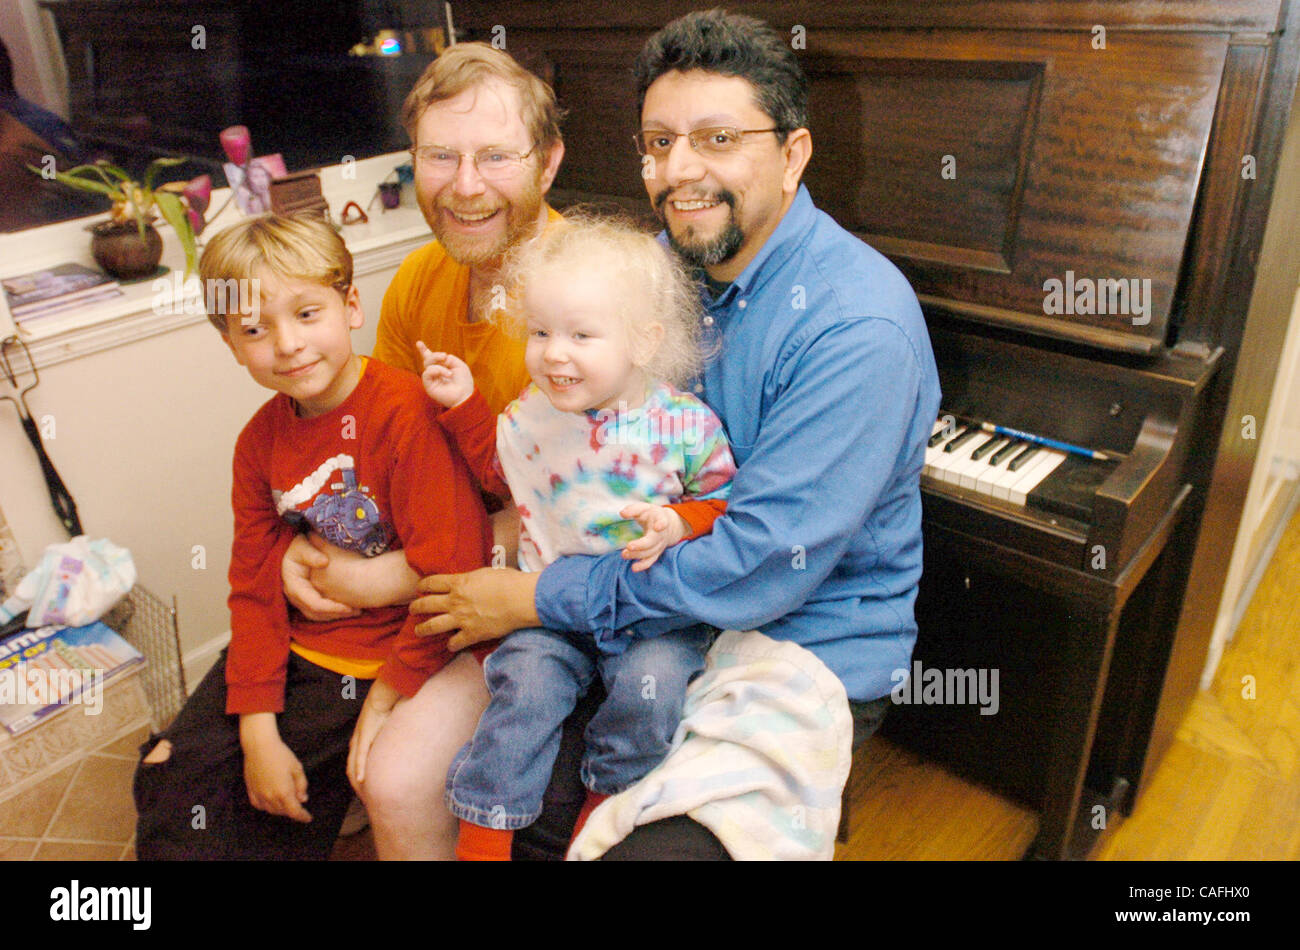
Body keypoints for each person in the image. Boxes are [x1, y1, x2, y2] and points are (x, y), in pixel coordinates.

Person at [408, 9, 944, 860]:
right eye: (658, 143)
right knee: (503, 800)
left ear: (793, 154)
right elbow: (572, 441)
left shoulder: (856, 327)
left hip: (794, 645)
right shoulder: (658, 270)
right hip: (646, 605)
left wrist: (540, 597)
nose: (678, 171)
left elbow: (760, 566)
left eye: (717, 138)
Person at [276, 41, 565, 859]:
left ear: (547, 163)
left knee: (395, 778)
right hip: (440, 556)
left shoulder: (584, 298)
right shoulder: (413, 281)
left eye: (496, 157)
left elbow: (556, 520)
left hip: (536, 591)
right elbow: (376, 461)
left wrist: (385, 584)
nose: (464, 186)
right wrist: (306, 545)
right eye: (441, 155)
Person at [132, 213, 494, 859]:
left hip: (374, 660)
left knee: (259, 820)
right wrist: (256, 731)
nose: (288, 344)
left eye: (306, 313)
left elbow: (450, 575)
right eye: (254, 329)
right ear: (231, 346)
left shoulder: (408, 416)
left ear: (351, 306)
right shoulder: (258, 443)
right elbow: (253, 586)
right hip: (290, 648)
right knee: (165, 771)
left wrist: (383, 700)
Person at [420, 216, 736, 859]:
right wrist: (462, 407)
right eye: (540, 332)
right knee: (523, 693)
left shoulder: (680, 423)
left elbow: (724, 499)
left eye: (581, 335)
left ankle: (607, 794)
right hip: (545, 606)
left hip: (650, 609)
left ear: (644, 342)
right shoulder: (533, 414)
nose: (553, 353)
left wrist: (680, 521)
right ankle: (485, 826)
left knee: (652, 688)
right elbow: (501, 470)